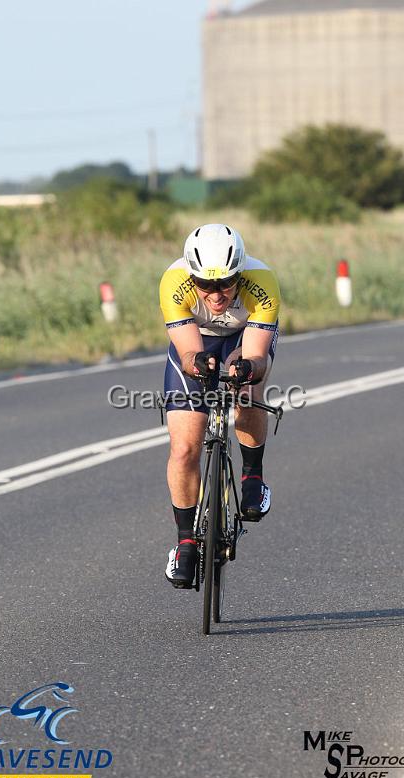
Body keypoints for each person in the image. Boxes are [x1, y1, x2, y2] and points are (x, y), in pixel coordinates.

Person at [159, 223, 281, 588]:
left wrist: (246, 368)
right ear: (192, 276)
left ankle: (252, 475)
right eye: (205, 285)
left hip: (244, 340)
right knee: (183, 448)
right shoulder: (173, 281)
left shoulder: (263, 283)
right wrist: (197, 363)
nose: (215, 295)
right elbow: (187, 351)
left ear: (239, 273)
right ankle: (184, 542)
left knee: (247, 387)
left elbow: (258, 356)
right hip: (197, 342)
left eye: (226, 283)